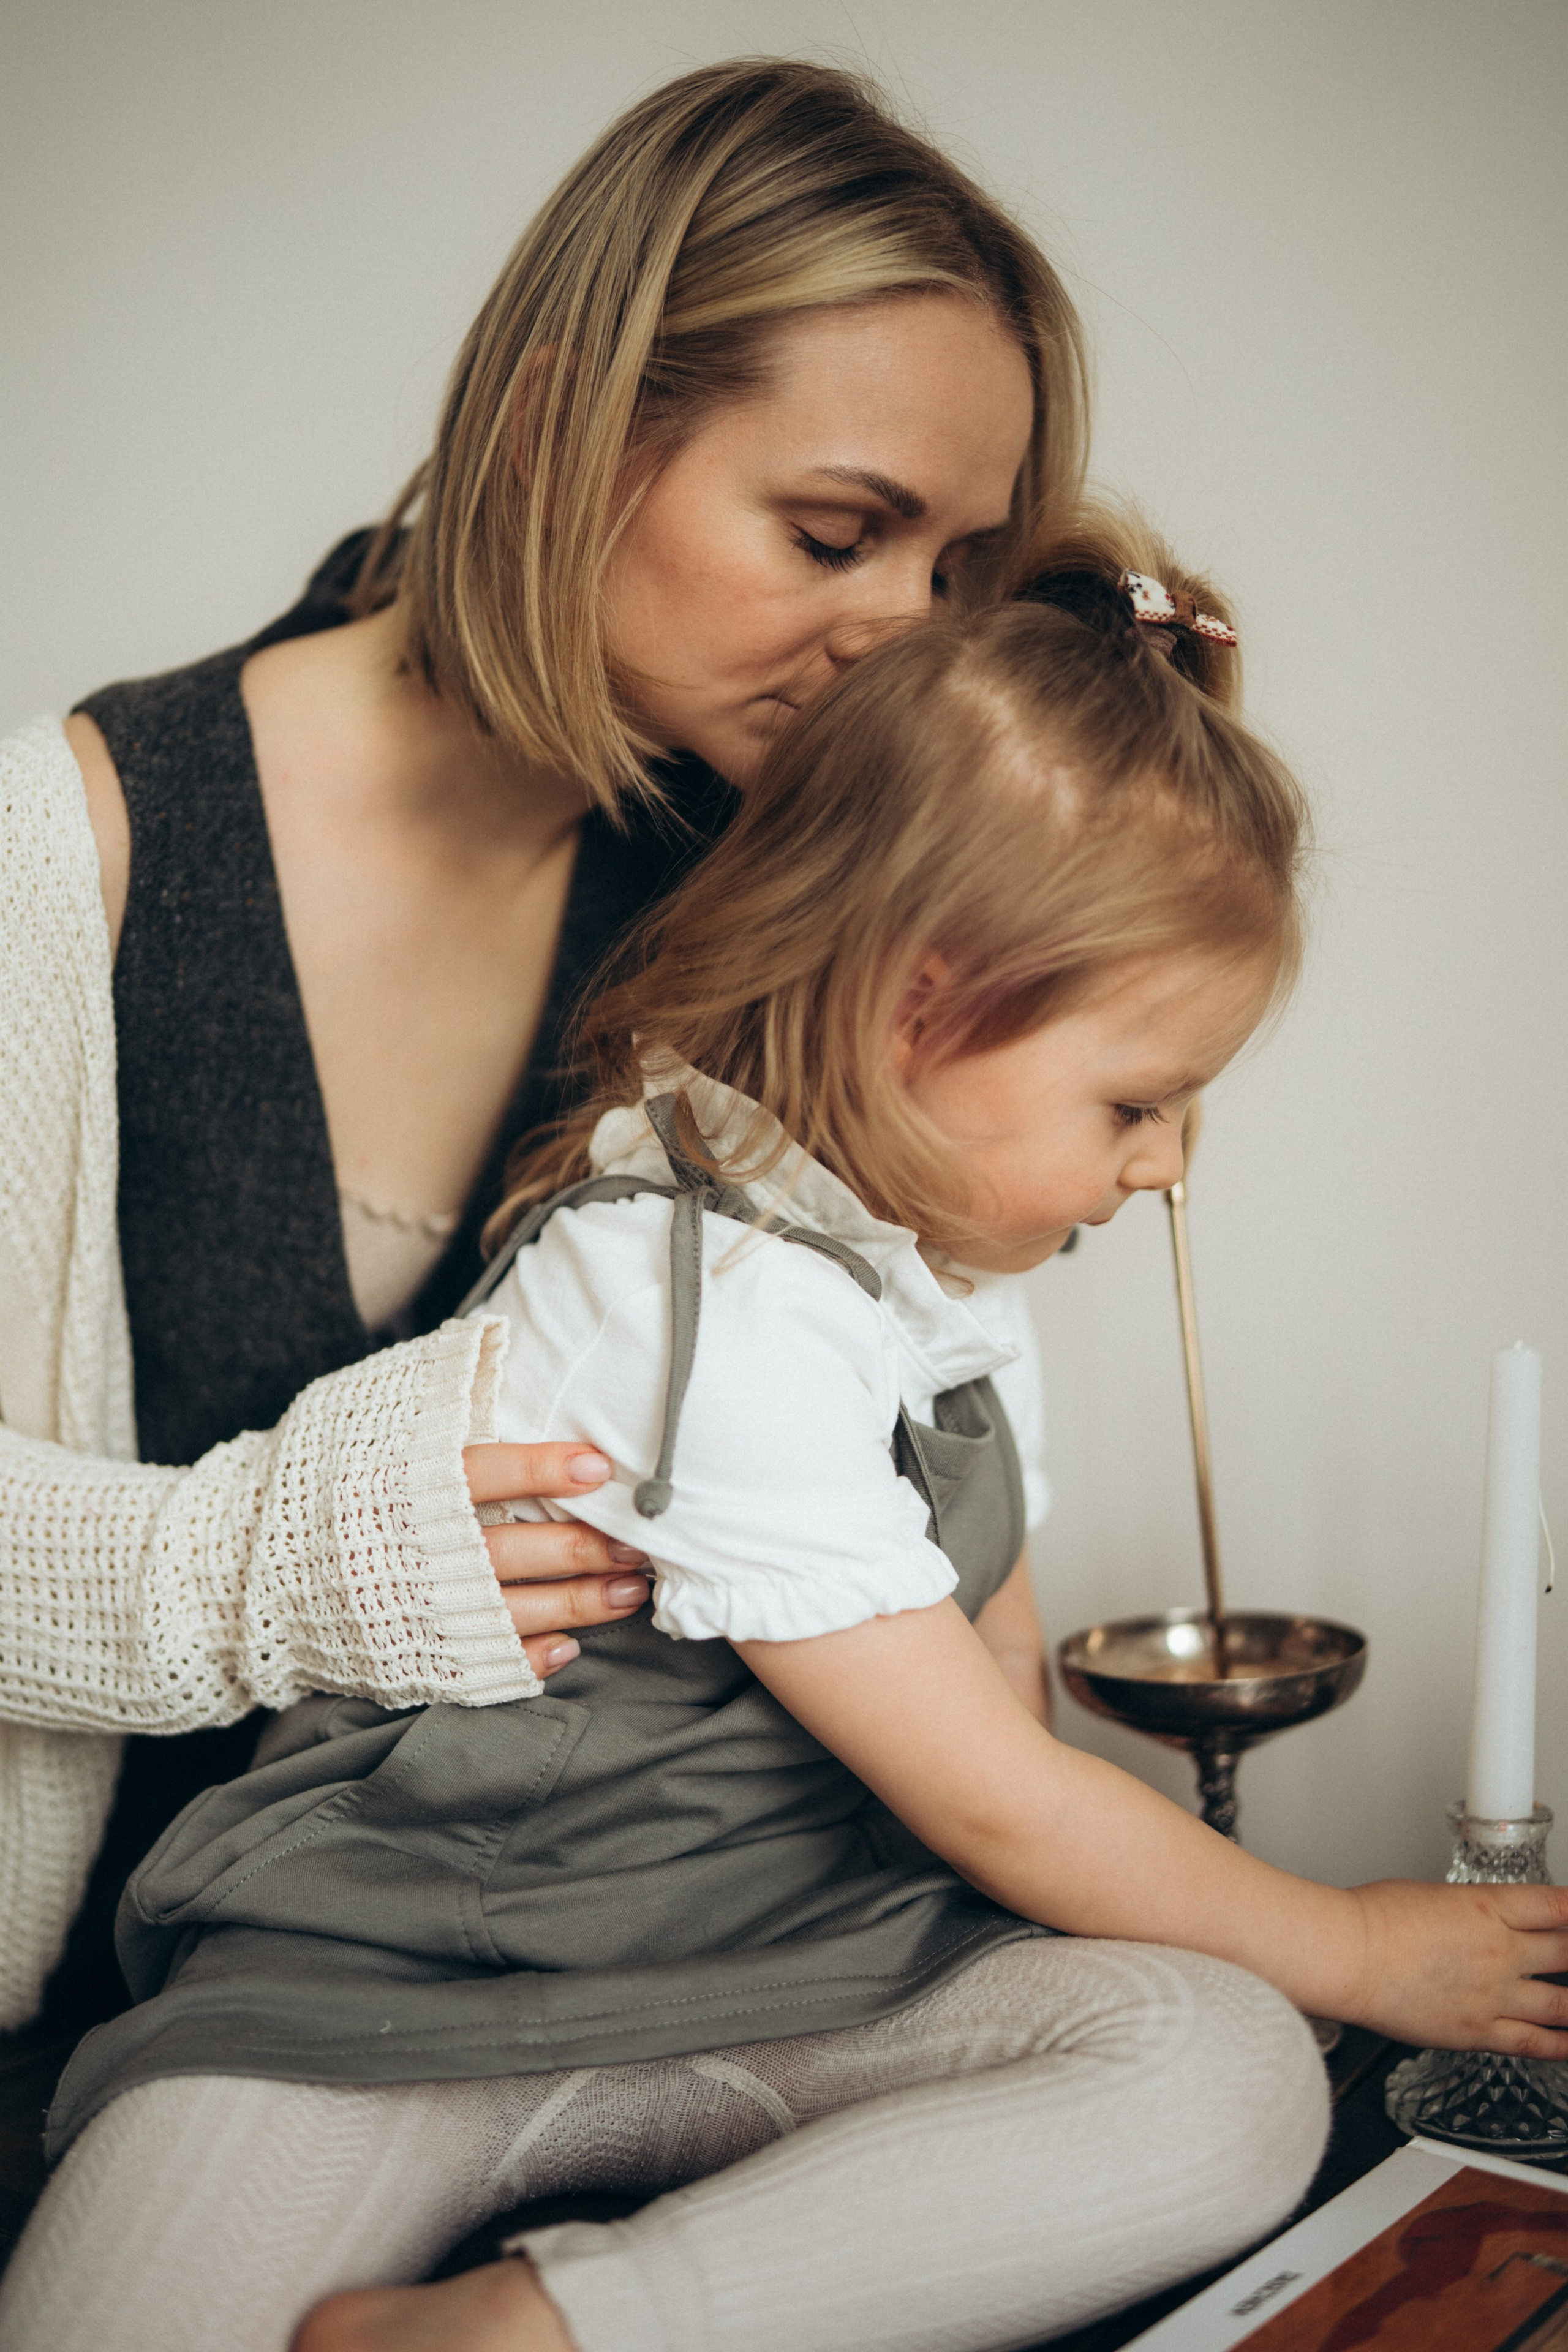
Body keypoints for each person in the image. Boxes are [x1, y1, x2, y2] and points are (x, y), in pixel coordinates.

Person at [10, 557, 1568, 2352]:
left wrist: (1195, 1966)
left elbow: (1003, 1713)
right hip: (406, 1994)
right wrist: (1349, 1948)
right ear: (927, 1014)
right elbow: (996, 1798)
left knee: (1218, 2071)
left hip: (796, 1976)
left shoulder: (952, 1302)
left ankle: (564, 2325)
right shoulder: (700, 1296)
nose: (1165, 1167)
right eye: (1136, 1103)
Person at [0, 56, 1087, 2041]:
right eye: (835, 532)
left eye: (957, 572)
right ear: (555, 436)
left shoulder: (754, 876)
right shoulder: (63, 855)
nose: (907, 641)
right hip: (169, 2018)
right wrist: (250, 1571)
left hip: (667, 1970)